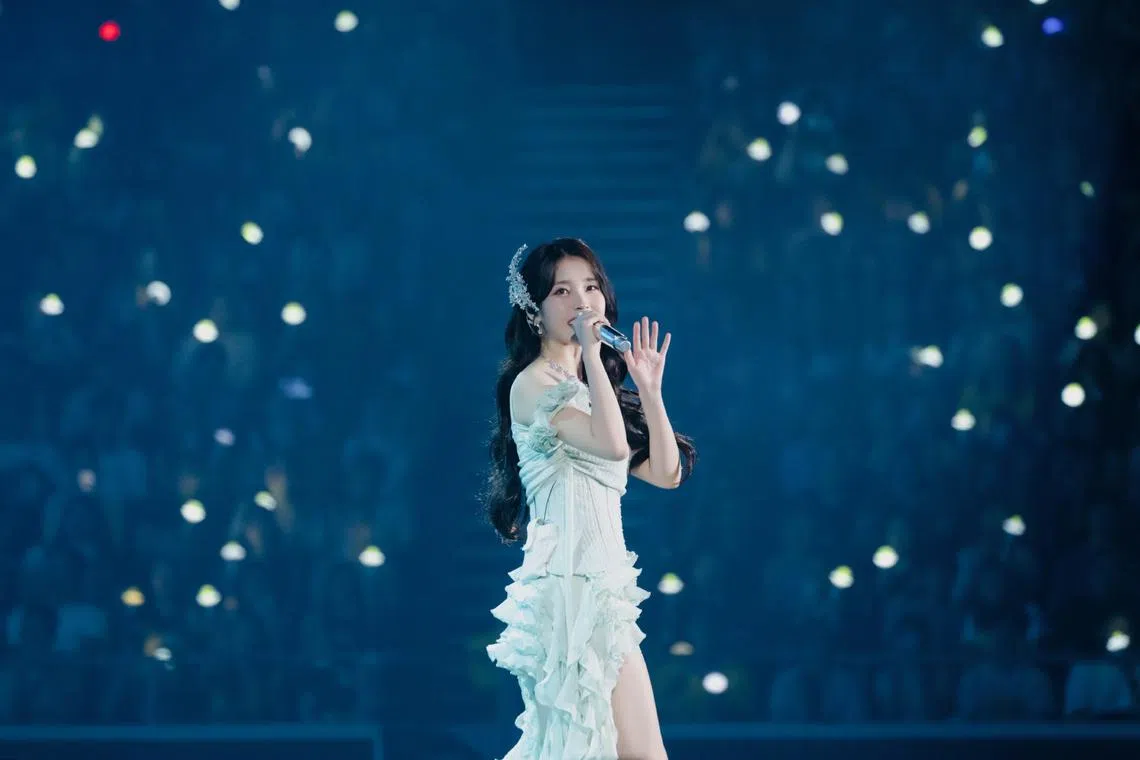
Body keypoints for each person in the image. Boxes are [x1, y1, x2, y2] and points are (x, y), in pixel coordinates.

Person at [483, 238, 697, 760]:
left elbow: (668, 473)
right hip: (570, 594)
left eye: (591, 286)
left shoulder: (587, 389)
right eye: (562, 290)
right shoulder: (532, 385)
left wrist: (649, 387)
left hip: (605, 592)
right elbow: (611, 444)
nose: (582, 301)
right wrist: (599, 360)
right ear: (535, 311)